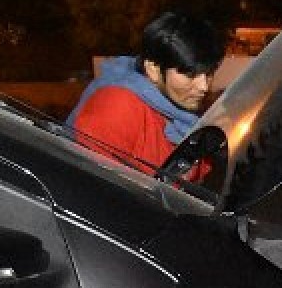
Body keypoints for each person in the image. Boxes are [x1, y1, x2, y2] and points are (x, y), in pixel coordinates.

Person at [68, 10, 223, 175]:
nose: (203, 86)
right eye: (190, 75)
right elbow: (93, 181)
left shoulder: (178, 109)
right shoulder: (116, 107)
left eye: (209, 73)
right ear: (153, 70)